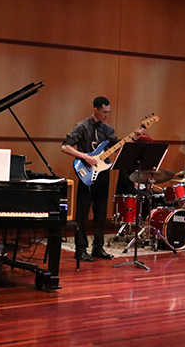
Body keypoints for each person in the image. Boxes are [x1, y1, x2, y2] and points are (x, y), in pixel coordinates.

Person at [61, 96, 122, 262]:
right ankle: (80, 250)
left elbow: (116, 146)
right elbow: (65, 146)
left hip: (103, 174)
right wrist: (84, 157)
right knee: (82, 213)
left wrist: (135, 138)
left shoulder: (108, 129)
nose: (106, 116)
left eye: (108, 112)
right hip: (86, 174)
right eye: (104, 112)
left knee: (101, 213)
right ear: (95, 109)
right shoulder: (82, 127)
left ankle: (98, 248)